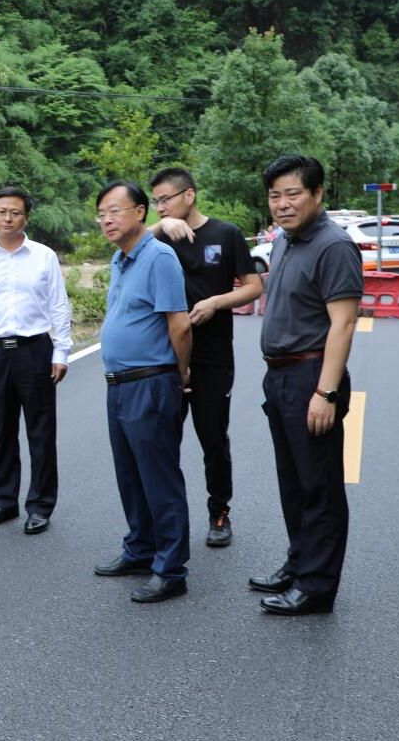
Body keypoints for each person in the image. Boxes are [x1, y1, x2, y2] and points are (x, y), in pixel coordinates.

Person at [249, 155, 362, 615]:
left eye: (292, 193)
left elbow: (344, 324)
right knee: (292, 481)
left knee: (319, 486)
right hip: (281, 375)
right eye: (275, 196)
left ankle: (315, 586)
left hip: (312, 375)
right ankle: (299, 562)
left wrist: (326, 392)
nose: (282, 204)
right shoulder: (284, 242)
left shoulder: (333, 245)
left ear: (317, 194)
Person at [148, 167, 263, 547]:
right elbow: (122, 247)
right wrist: (159, 228)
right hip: (164, 356)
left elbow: (252, 286)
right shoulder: (158, 239)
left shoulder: (225, 234)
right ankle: (163, 518)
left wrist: (216, 302)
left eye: (166, 199)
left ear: (189, 195)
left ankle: (219, 512)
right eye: (156, 202)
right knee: (163, 441)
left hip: (212, 356)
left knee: (213, 439)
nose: (160, 207)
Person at [91, 180, 193, 603]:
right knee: (130, 476)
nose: (107, 220)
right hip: (119, 386)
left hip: (151, 383)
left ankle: (171, 569)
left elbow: (180, 324)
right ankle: (140, 548)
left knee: (159, 478)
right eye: (101, 214)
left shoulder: (159, 257)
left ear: (140, 212)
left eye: (115, 210)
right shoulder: (122, 259)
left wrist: (180, 377)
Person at [0, 186, 72, 535]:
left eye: (15, 213)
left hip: (35, 350)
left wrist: (61, 351)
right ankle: (4, 502)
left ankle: (39, 506)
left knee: (40, 432)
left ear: (26, 217)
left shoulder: (43, 256)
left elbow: (58, 305)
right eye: (1, 211)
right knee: (2, 431)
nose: (7, 218)